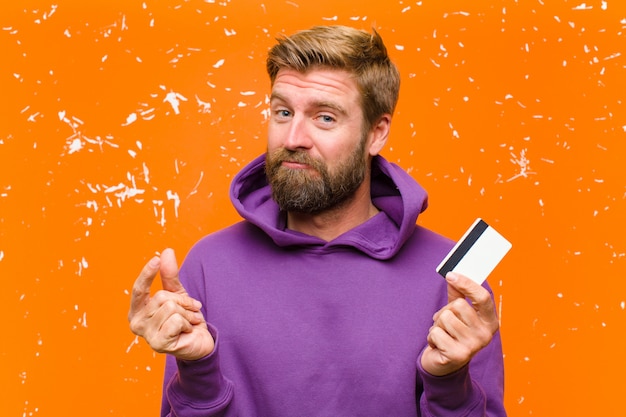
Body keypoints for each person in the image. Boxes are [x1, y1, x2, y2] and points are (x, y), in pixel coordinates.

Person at [128, 25, 506, 416]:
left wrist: (448, 384)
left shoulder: (452, 278)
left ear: (376, 134)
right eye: (283, 112)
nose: (293, 137)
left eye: (324, 118)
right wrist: (197, 373)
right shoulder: (210, 263)